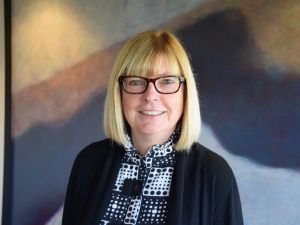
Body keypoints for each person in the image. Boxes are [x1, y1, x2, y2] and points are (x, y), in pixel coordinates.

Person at [62, 30, 244, 225]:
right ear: (119, 92)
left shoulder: (214, 175)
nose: (150, 95)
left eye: (166, 81)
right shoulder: (88, 163)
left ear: (185, 92)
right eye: (136, 81)